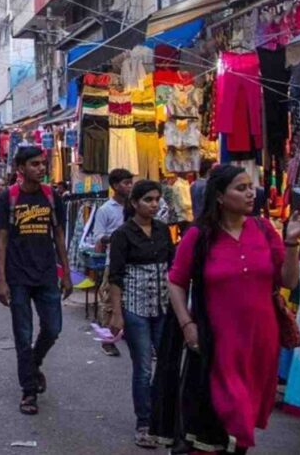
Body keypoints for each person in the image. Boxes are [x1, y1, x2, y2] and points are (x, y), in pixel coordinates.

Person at [153, 165, 300, 453]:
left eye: (251, 187)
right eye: (241, 188)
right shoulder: (198, 236)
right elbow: (175, 282)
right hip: (218, 344)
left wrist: (292, 241)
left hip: (260, 343)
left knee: (241, 423)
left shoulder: (264, 230)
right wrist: (188, 326)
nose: (251, 193)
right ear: (220, 197)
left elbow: (288, 279)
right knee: (228, 417)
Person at [0, 146, 72, 416]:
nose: (41, 168)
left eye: (43, 163)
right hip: (17, 278)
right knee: (23, 336)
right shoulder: (9, 198)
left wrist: (67, 273)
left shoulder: (52, 197)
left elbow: (59, 236)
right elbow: (1, 240)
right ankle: (28, 391)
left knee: (53, 328)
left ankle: (34, 363)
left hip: (47, 275)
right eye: (35, 164)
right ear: (21, 168)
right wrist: (0, 279)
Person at [105, 180, 175, 448]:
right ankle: (144, 423)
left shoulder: (162, 230)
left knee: (166, 365)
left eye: (157, 199)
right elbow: (116, 276)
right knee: (143, 367)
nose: (154, 204)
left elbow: (172, 265)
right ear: (134, 203)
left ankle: (164, 420)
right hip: (135, 307)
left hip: (162, 305)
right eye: (148, 199)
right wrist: (116, 313)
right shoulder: (123, 234)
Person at [92, 168, 135, 357]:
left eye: (130, 182)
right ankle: (107, 340)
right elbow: (98, 237)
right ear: (116, 186)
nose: (129, 186)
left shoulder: (134, 207)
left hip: (135, 261)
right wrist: (118, 238)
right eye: (126, 183)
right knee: (109, 301)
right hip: (115, 261)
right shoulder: (105, 210)